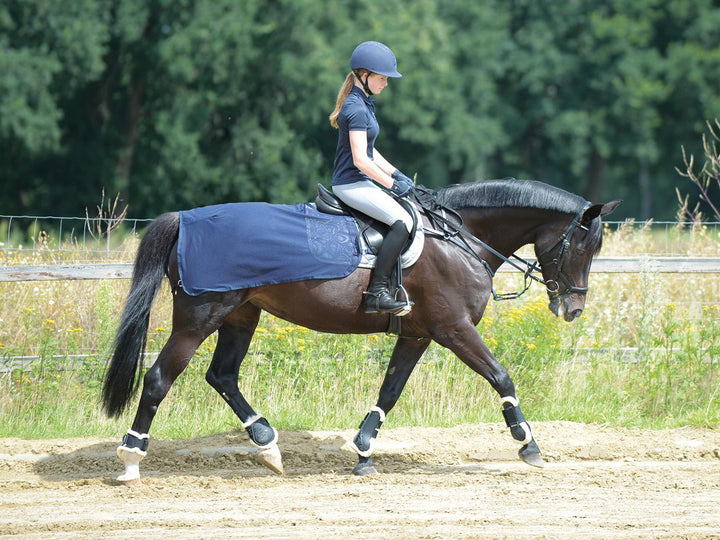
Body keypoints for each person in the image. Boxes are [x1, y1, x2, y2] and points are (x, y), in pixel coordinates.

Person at [329, 41, 415, 315]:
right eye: (382, 78)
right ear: (364, 75)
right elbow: (360, 160)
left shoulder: (364, 103)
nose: (386, 84)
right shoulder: (355, 108)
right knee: (401, 224)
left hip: (360, 181)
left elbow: (370, 150)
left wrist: (396, 173)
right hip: (350, 184)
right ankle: (376, 293)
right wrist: (391, 185)